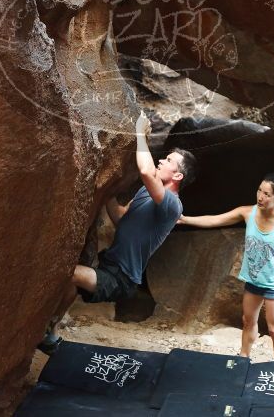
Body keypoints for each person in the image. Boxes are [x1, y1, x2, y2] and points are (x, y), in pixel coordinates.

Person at [38, 111, 196, 354]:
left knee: (71, 274)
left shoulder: (173, 205)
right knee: (71, 283)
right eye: (163, 158)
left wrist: (140, 132)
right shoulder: (146, 193)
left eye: (168, 161)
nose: (161, 161)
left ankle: (45, 329)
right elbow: (122, 218)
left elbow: (145, 171)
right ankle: (51, 333)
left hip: (123, 278)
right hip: (109, 264)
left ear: (177, 175)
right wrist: (105, 194)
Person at [178, 174, 274, 360]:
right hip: (254, 279)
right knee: (248, 321)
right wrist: (185, 220)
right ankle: (243, 358)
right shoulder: (247, 212)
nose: (260, 197)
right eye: (259, 190)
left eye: (267, 194)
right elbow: (215, 220)